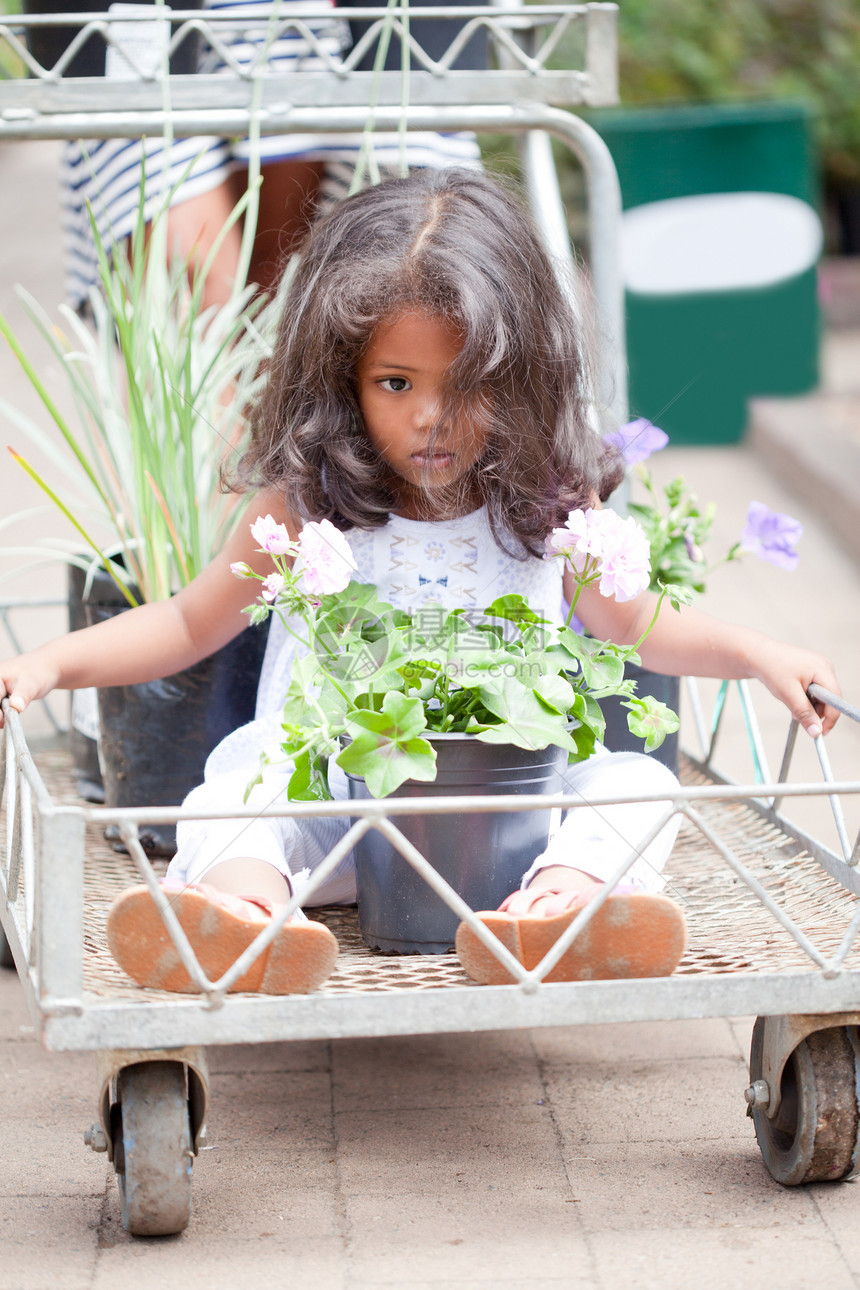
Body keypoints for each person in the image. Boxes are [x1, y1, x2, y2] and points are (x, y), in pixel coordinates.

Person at [0, 169, 841, 995]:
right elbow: (188, 626)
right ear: (342, 377)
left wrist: (759, 651)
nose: (430, 417)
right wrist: (46, 667)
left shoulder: (546, 496)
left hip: (505, 819)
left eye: (467, 384)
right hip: (335, 815)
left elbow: (639, 626)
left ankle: (558, 910)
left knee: (638, 782)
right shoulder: (309, 502)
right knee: (239, 787)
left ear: (519, 377)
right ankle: (245, 914)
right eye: (395, 384)